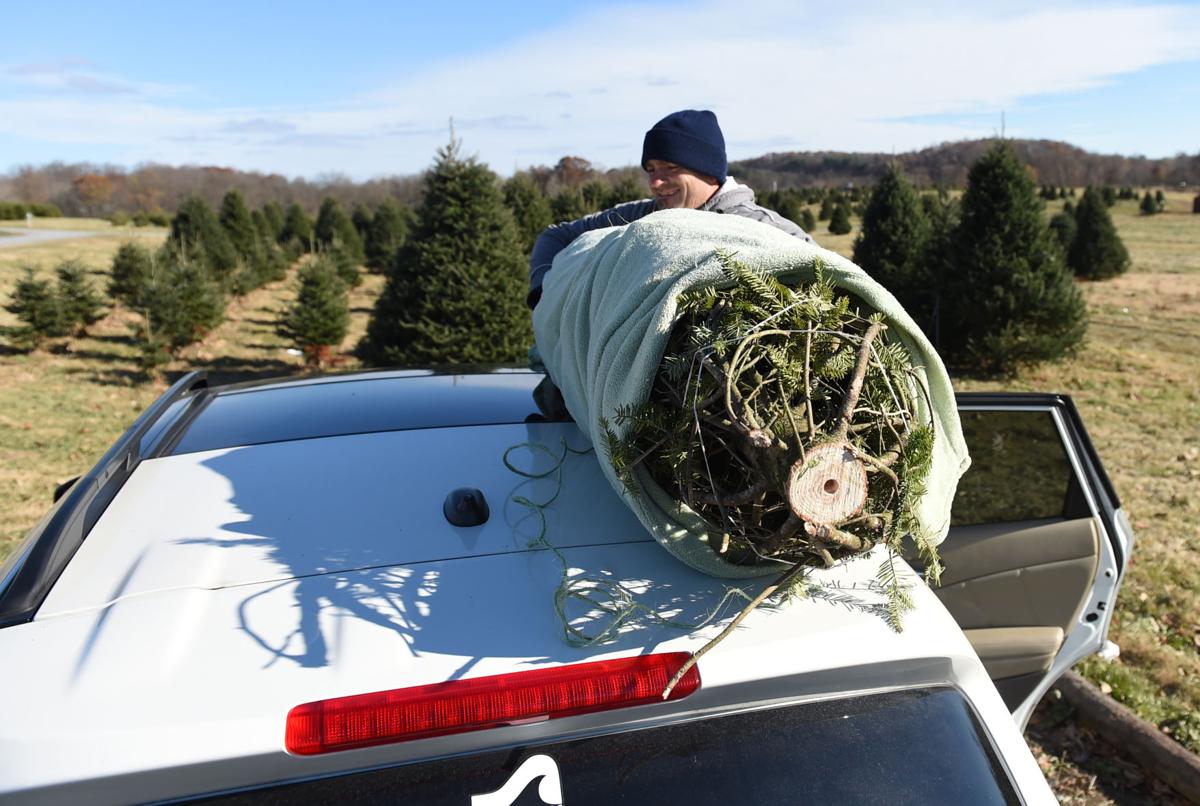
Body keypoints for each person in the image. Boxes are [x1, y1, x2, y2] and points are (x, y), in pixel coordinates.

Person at [527, 109, 815, 307]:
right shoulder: (638, 217)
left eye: (670, 168)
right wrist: (544, 289)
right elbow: (556, 236)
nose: (656, 182)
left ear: (709, 172)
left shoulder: (767, 230)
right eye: (650, 169)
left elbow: (834, 283)